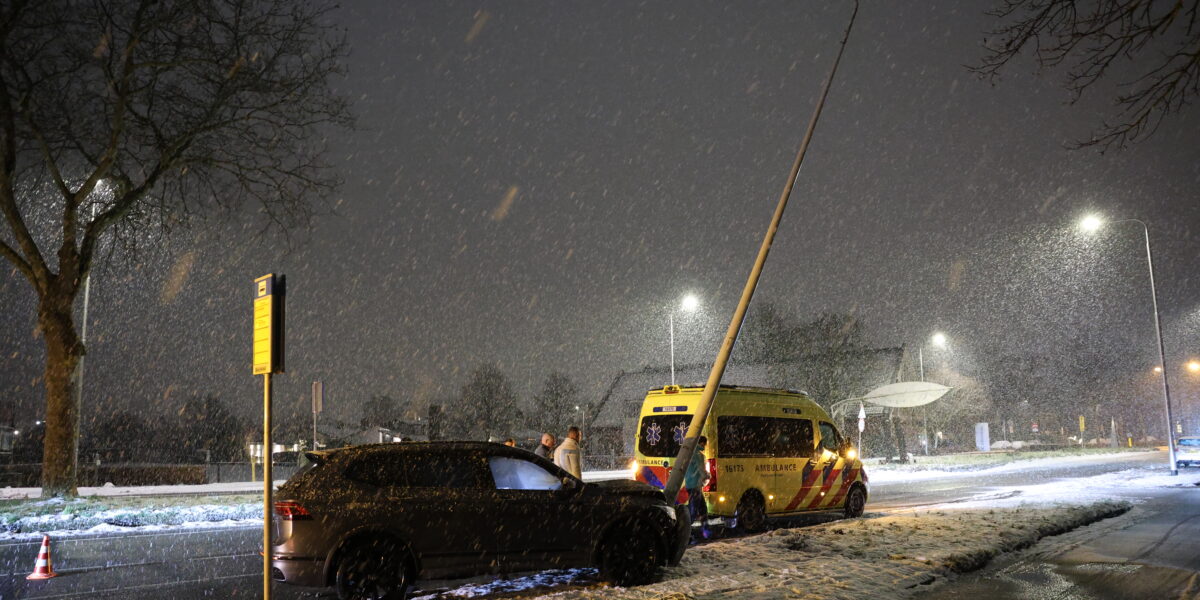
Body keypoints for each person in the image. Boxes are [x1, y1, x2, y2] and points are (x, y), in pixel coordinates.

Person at [683, 436, 711, 539]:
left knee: (702, 508)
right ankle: (686, 534)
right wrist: (708, 476)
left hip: (690, 484)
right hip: (695, 485)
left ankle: (706, 530)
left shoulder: (689, 453)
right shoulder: (698, 455)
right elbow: (701, 470)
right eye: (705, 444)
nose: (705, 446)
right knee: (694, 510)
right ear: (702, 443)